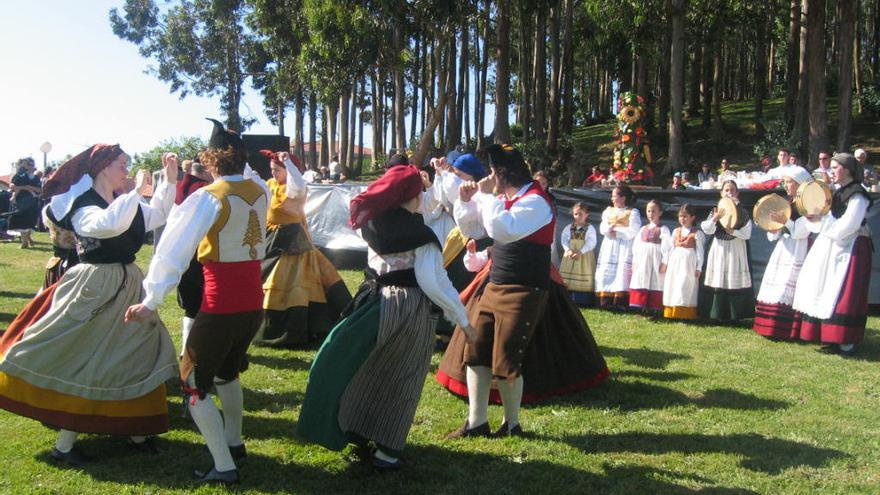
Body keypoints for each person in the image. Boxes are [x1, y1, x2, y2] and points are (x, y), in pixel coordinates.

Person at [0, 144, 178, 465]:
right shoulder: (85, 205)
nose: (127, 170)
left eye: (127, 165)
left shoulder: (123, 202)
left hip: (127, 285)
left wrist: (169, 181)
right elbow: (106, 225)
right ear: (103, 168)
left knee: (135, 352)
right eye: (122, 165)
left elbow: (158, 215)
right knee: (89, 359)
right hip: (95, 287)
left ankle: (135, 431)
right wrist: (135, 192)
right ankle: (65, 446)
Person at [297, 165, 474, 471]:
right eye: (421, 191)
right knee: (403, 377)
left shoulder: (374, 222)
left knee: (366, 370)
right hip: (408, 309)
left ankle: (358, 429)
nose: (425, 196)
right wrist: (464, 320)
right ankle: (387, 452)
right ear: (410, 196)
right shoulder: (419, 234)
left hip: (373, 303)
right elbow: (433, 282)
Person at [125, 119, 268, 485]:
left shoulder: (208, 197)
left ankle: (223, 465)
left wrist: (151, 300)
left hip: (222, 303)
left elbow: (172, 249)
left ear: (212, 160)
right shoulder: (261, 190)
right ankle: (234, 443)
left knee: (191, 382)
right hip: (254, 301)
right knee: (227, 373)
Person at [445, 144, 558, 438]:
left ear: (503, 174)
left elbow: (501, 230)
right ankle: (476, 422)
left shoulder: (537, 201)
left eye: (493, 172)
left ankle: (512, 425)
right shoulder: (502, 199)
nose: (489, 177)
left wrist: (485, 196)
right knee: (476, 351)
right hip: (495, 283)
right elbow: (473, 229)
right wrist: (467, 202)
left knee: (506, 358)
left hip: (525, 288)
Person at [256, 150, 352, 347]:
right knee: (264, 275)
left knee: (295, 281)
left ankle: (302, 325)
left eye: (277, 170)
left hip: (293, 239)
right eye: (271, 170)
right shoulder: (270, 185)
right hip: (272, 237)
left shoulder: (294, 188)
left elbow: (298, 186)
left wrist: (289, 164)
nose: (273, 173)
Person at [793, 153, 873, 356]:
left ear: (847, 169)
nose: (832, 171)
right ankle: (830, 336)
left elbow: (850, 224)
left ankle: (846, 339)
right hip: (835, 245)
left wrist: (827, 226)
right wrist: (817, 217)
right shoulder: (838, 193)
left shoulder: (857, 194)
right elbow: (829, 219)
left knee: (844, 291)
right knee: (826, 287)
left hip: (851, 247)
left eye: (836, 167)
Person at [753, 167, 813, 340]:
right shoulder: (787, 200)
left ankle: (790, 329)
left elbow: (803, 231)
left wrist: (785, 221)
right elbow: (775, 233)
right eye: (785, 181)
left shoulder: (806, 203)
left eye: (789, 182)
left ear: (800, 183)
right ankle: (770, 326)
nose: (786, 185)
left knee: (791, 285)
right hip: (785, 246)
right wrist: (774, 226)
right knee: (777, 283)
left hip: (799, 248)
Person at [699, 180, 755, 321]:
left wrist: (733, 231)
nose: (729, 193)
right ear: (721, 193)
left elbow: (747, 234)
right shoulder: (716, 211)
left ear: (737, 193)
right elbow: (706, 229)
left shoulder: (743, 212)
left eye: (732, 190)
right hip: (719, 248)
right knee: (718, 278)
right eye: (726, 190)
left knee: (733, 278)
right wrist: (715, 219)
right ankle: (715, 313)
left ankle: (736, 314)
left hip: (736, 249)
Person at [173, 157, 212, 357]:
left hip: (182, 252)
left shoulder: (180, 187)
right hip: (202, 254)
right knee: (201, 304)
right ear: (206, 171)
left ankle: (186, 348)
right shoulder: (206, 190)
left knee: (191, 305)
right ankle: (196, 348)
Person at [595, 185, 641, 309]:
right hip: (610, 244)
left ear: (623, 198)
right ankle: (605, 300)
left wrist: (619, 232)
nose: (612, 199)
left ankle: (620, 301)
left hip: (624, 246)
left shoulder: (632, 212)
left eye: (615, 196)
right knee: (607, 271)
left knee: (621, 272)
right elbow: (602, 227)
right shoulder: (608, 211)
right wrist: (608, 230)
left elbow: (634, 230)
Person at [661, 204, 705, 320]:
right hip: (675, 262)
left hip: (688, 263)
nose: (682, 219)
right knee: (673, 285)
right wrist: (666, 262)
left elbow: (700, 252)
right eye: (680, 216)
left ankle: (685, 313)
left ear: (692, 217)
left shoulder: (697, 234)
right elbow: (670, 248)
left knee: (685, 285)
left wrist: (698, 267)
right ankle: (671, 312)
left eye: (685, 216)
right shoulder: (676, 231)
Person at [629, 199, 670, 315]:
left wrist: (665, 262)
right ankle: (639, 307)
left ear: (660, 213)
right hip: (643, 260)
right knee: (641, 280)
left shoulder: (663, 229)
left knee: (655, 280)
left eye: (653, 211)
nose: (650, 214)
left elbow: (667, 247)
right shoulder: (643, 229)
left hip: (656, 260)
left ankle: (653, 309)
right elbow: (636, 247)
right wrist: (634, 261)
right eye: (648, 211)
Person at [558, 201, 597, 307]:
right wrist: (568, 250)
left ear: (586, 215)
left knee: (583, 274)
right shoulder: (568, 227)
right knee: (567, 276)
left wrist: (581, 251)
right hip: (570, 255)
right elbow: (564, 240)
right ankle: (567, 299)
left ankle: (583, 300)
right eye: (576, 214)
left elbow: (592, 242)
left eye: (581, 214)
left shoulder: (590, 228)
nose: (578, 217)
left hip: (583, 256)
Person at [8, 157, 42, 248]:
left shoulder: (36, 178)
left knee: (30, 222)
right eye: (28, 164)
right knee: (22, 221)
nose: (30, 166)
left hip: (32, 202)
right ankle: (25, 242)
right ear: (25, 165)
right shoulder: (20, 175)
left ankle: (28, 239)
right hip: (21, 201)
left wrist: (29, 187)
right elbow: (12, 186)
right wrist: (23, 188)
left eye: (32, 165)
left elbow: (40, 190)